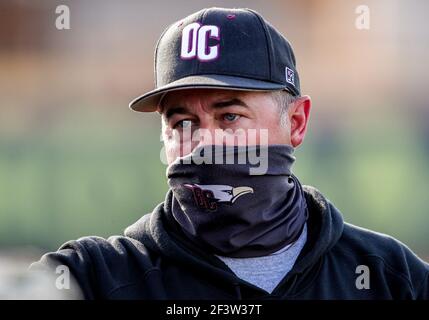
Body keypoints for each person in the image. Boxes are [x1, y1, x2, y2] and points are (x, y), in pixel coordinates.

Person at [31, 7, 428, 300]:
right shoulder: (94, 278)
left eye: (230, 116)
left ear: (297, 122)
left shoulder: (388, 277)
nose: (205, 142)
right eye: (182, 121)